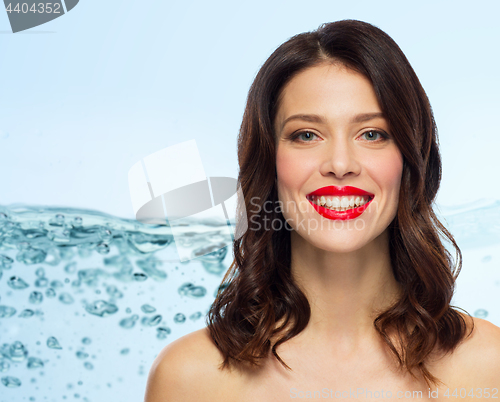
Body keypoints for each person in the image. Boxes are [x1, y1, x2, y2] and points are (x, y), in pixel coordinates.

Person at [144, 19, 500, 401]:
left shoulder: (487, 364)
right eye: (306, 135)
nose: (340, 163)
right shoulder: (190, 378)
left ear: (411, 160)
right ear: (270, 162)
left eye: (372, 134)